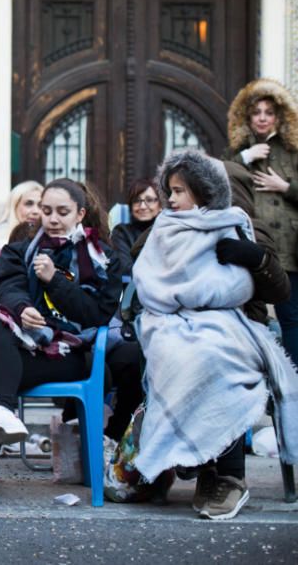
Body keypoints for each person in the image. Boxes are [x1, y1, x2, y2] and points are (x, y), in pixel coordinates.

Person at [0, 178, 122, 509]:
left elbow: (97, 315)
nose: (52, 218)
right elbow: (4, 289)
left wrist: (54, 281)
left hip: (74, 353)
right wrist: (22, 309)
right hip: (23, 349)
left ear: (80, 213)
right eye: (46, 210)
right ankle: (2, 414)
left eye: (62, 212)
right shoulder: (20, 250)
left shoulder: (103, 259)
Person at [131, 150, 298, 519]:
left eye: (181, 190)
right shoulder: (166, 226)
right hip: (176, 326)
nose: (171, 199)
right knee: (183, 355)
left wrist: (254, 258)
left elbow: (280, 292)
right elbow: (145, 271)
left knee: (217, 361)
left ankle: (228, 476)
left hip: (237, 330)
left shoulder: (247, 229)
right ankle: (197, 461)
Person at [225, 78, 298, 361]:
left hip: (289, 245)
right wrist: (244, 156)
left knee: (291, 315)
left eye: (269, 112)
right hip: (249, 241)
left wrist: (286, 187)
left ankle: (293, 379)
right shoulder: (236, 151)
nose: (263, 118)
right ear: (247, 117)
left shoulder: (292, 151)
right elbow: (215, 179)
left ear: (279, 116)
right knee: (248, 312)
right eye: (257, 112)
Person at [0, 181, 43, 294]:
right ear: (14, 205)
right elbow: (1, 282)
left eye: (41, 206)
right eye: (29, 204)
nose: (35, 211)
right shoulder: (1, 236)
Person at [110, 178, 161, 278]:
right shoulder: (121, 232)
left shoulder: (168, 231)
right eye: (137, 201)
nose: (142, 206)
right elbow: (126, 269)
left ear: (160, 205)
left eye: (149, 200)